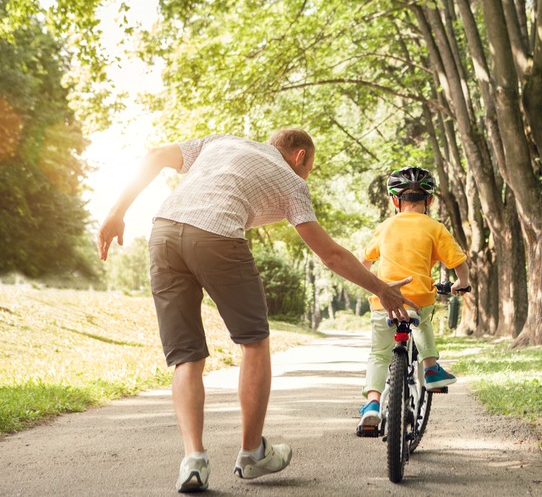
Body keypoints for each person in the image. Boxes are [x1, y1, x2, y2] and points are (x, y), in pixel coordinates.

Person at [96, 129, 418, 493]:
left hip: (164, 234)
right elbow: (330, 254)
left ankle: (194, 460)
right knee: (254, 342)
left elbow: (154, 154)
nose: (307, 176)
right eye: (309, 168)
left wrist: (116, 212)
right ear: (299, 157)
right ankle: (251, 454)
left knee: (185, 356)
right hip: (217, 237)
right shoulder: (292, 181)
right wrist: (381, 289)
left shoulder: (220, 142)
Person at [356, 166, 470, 435]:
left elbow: (364, 262)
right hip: (418, 297)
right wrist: (461, 284)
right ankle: (430, 369)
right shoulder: (435, 227)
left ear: (395, 201)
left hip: (383, 299)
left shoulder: (385, 227)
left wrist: (373, 285)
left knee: (379, 353)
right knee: (421, 324)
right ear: (429, 200)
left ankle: (372, 404)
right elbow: (459, 263)